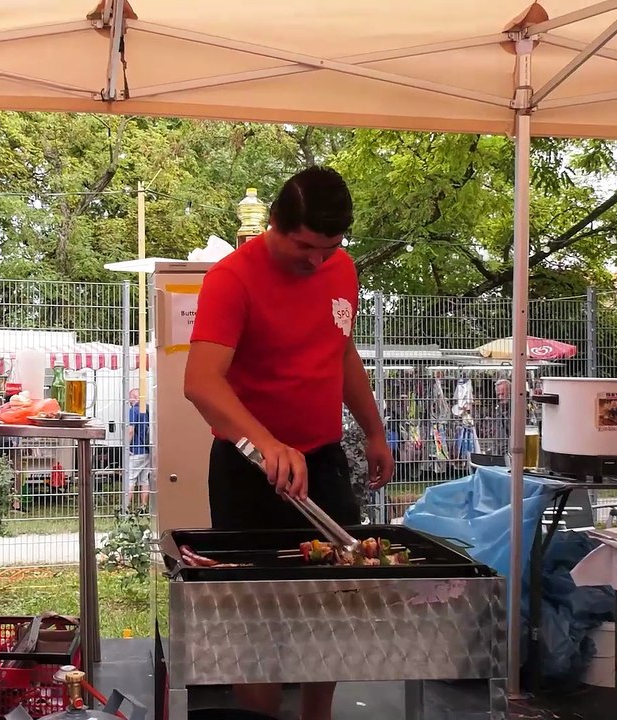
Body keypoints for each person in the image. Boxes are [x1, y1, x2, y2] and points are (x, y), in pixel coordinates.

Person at [184, 166, 394, 720]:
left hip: (322, 459)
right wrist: (267, 443)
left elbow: (341, 351)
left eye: (329, 248)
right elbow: (201, 381)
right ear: (274, 223)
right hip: (248, 467)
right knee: (254, 612)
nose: (316, 261)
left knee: (333, 601)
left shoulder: (340, 268)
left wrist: (373, 430)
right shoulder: (232, 279)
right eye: (304, 246)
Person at [123, 388, 152, 511]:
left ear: (134, 397)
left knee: (130, 479)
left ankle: (126, 508)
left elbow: (130, 430)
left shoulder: (133, 411)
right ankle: (144, 507)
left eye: (130, 397)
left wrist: (127, 447)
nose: (129, 400)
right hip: (147, 450)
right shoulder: (148, 411)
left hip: (135, 450)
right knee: (144, 480)